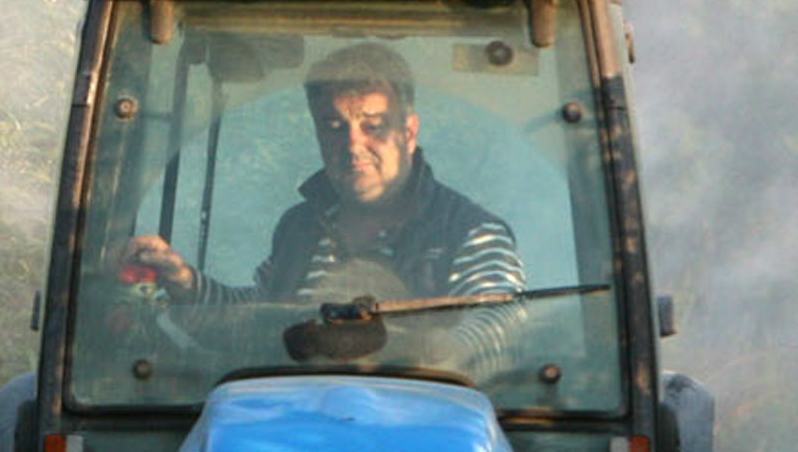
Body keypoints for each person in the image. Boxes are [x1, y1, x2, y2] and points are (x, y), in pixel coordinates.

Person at [128, 41, 525, 371]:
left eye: (372, 126)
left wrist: (423, 354)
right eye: (334, 128)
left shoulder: (471, 233)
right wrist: (181, 281)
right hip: (292, 430)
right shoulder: (300, 228)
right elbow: (252, 325)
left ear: (408, 132)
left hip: (423, 437)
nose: (353, 146)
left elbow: (499, 324)